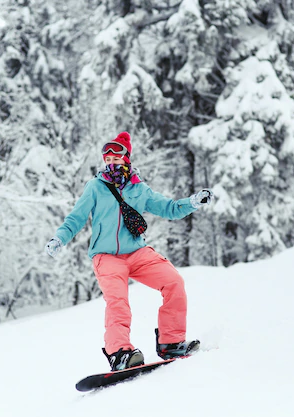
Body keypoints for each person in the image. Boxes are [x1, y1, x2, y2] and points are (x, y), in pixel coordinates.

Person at [45, 131, 214, 371]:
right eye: (108, 159)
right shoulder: (95, 187)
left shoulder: (139, 189)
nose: (111, 162)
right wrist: (59, 239)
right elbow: (76, 218)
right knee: (118, 302)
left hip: (137, 253)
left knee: (174, 281)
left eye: (116, 158)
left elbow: (170, 209)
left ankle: (171, 342)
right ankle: (120, 353)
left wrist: (193, 202)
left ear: (126, 159)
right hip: (107, 256)